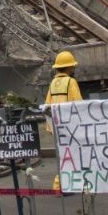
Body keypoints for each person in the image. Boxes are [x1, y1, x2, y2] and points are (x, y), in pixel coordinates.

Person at [44, 50, 82, 192]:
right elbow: (77, 104)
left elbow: (47, 105)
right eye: (72, 66)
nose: (73, 68)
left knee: (63, 155)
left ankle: (61, 184)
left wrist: (49, 127)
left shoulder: (53, 83)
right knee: (72, 156)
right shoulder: (71, 82)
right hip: (69, 126)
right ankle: (61, 184)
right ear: (68, 67)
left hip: (56, 127)